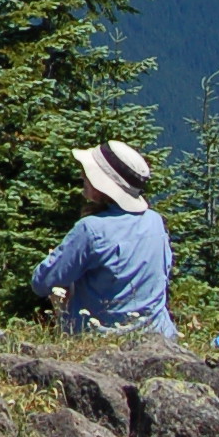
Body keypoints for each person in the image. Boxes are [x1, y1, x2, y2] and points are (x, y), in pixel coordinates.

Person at [32, 139, 176, 338]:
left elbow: (41, 282)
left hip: (102, 338)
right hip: (158, 335)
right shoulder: (155, 221)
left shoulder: (90, 229)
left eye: (88, 173)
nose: (82, 175)